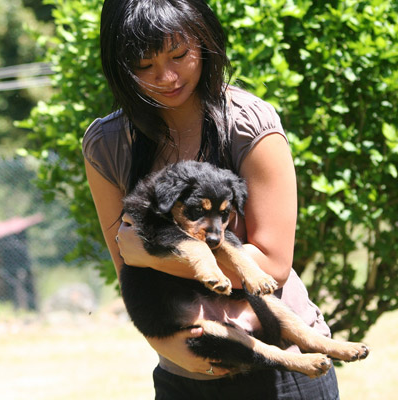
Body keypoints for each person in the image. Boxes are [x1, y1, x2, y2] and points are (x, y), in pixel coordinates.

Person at [82, 0, 340, 399]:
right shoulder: (108, 144)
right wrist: (166, 346)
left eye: (179, 55)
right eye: (144, 65)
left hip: (284, 371)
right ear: (120, 65)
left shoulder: (248, 123)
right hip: (184, 373)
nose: (166, 77)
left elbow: (273, 264)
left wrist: (149, 254)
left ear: (204, 41)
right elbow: (127, 272)